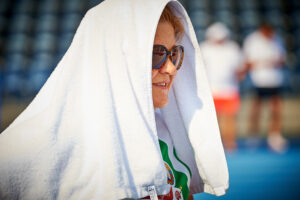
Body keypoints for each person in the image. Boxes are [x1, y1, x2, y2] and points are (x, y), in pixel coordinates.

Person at [0, 0, 228, 199]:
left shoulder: (166, 136)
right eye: (156, 54)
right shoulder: (24, 154)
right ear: (113, 58)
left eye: (173, 54)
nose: (170, 69)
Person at [242, 23, 287, 153]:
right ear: (262, 30)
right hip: (258, 81)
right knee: (256, 110)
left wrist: (266, 62)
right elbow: (248, 62)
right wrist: (266, 62)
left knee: (276, 110)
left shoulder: (277, 39)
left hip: (275, 80)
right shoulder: (252, 40)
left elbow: (282, 60)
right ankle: (253, 136)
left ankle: (274, 137)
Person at [200, 22, 243, 151]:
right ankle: (214, 144)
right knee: (212, 119)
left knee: (230, 118)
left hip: (229, 89)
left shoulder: (233, 48)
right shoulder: (204, 48)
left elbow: (239, 68)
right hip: (210, 90)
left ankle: (230, 143)